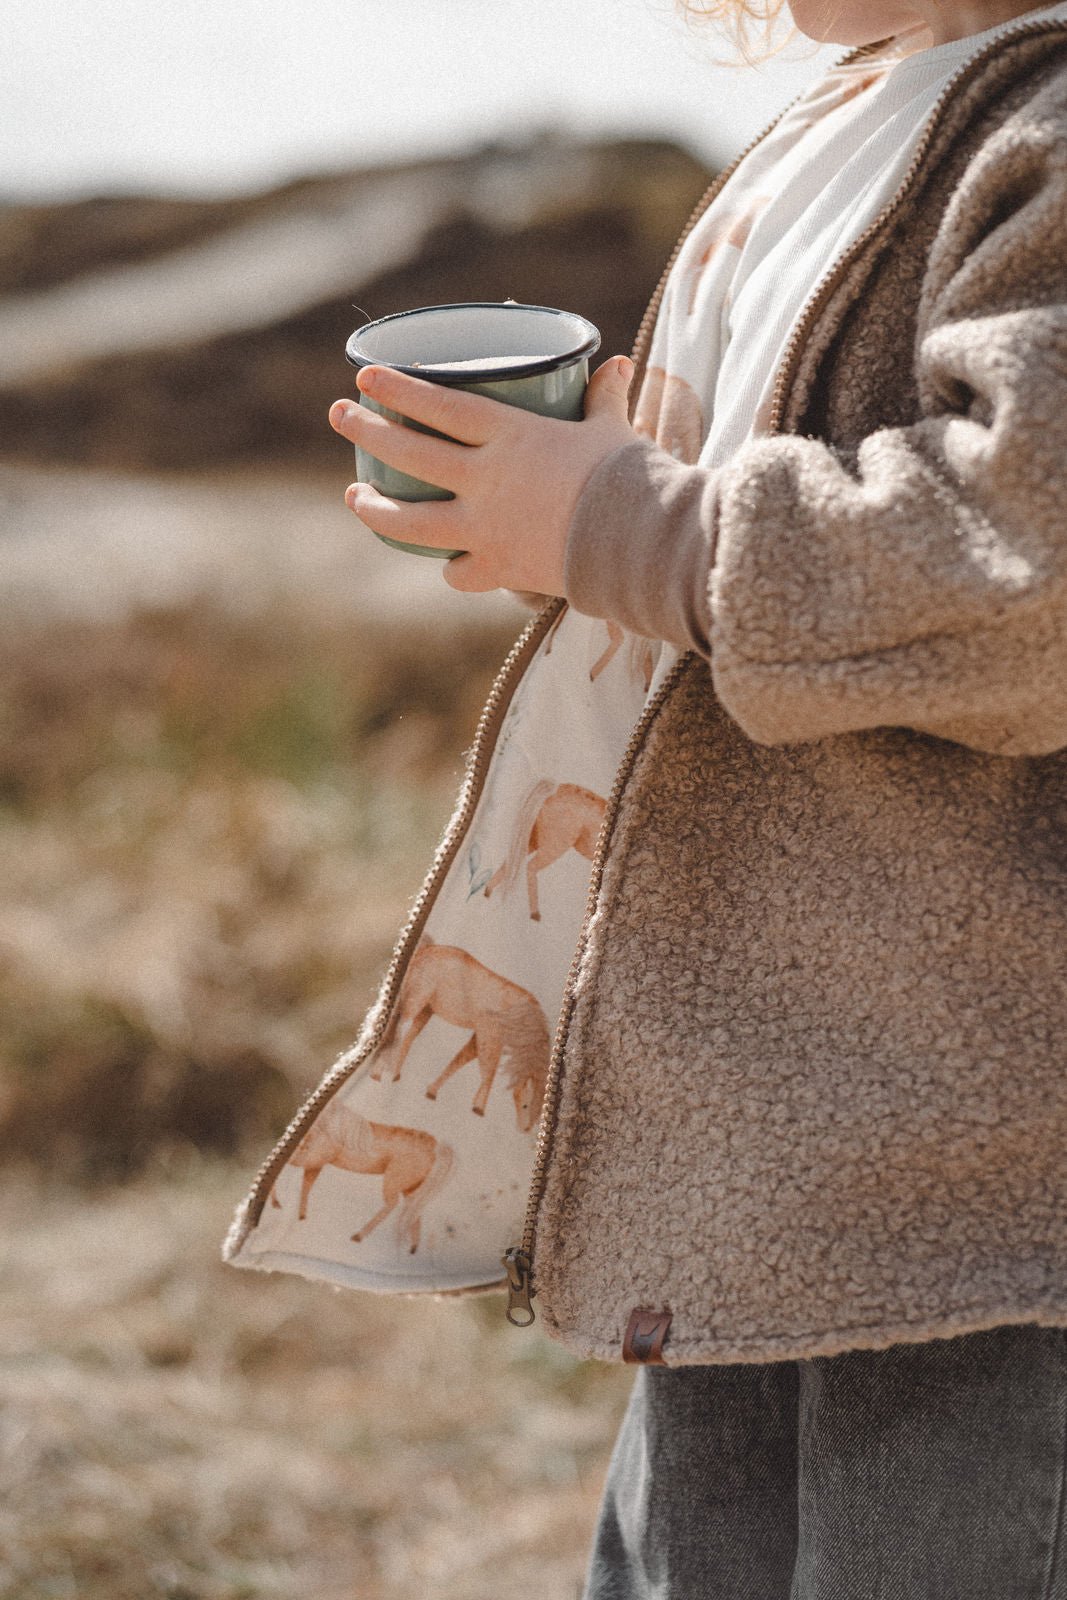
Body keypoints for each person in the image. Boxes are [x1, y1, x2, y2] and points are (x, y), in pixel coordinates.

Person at [292, 0, 1067, 1591]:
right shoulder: (846, 118)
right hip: (749, 1140)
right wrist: (561, 515)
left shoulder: (1044, 125)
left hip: (970, 1190)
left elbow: (1030, 578)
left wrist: (624, 528)